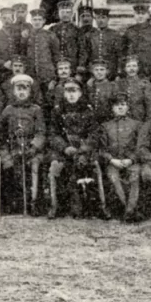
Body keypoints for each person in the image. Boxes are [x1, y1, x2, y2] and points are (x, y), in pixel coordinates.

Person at [47, 79, 107, 219]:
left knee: (96, 167)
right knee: (54, 168)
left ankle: (102, 206)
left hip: (84, 151)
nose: (71, 95)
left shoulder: (88, 110)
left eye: (74, 91)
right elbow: (53, 134)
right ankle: (54, 206)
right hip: (65, 151)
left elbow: (95, 133)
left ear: (80, 93)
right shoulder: (57, 111)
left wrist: (84, 149)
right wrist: (64, 147)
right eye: (68, 91)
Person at [0, 75, 47, 214]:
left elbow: (41, 132)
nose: (22, 92)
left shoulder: (36, 109)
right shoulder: (8, 110)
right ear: (14, 91)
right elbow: (0, 134)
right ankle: (12, 204)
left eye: (25, 89)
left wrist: (34, 147)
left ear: (30, 91)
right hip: (13, 149)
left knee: (34, 166)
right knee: (9, 168)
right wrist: (6, 153)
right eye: (19, 89)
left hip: (31, 149)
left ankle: (34, 202)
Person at [99, 93, 143, 222]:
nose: (120, 108)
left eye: (123, 105)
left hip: (131, 161)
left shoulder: (137, 125)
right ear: (112, 108)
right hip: (113, 161)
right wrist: (112, 160)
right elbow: (102, 148)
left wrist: (131, 159)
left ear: (128, 107)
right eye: (117, 105)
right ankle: (127, 209)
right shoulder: (105, 126)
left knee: (135, 176)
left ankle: (130, 211)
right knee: (113, 178)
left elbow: (141, 147)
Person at [79, 8, 124, 81]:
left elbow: (120, 55)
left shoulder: (115, 35)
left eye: (103, 17)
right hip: (92, 72)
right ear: (95, 19)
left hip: (110, 72)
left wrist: (119, 73)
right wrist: (82, 68)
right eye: (98, 18)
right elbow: (84, 54)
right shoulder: (89, 35)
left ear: (108, 19)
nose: (100, 20)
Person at [25, 8, 62, 89]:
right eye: (35, 20)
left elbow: (56, 55)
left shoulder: (50, 35)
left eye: (39, 19)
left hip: (47, 74)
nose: (37, 22)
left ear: (44, 21)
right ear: (31, 21)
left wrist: (55, 76)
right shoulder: (27, 36)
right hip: (31, 74)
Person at [114, 55, 151, 122]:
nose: (131, 69)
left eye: (134, 66)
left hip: (139, 118)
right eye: (128, 66)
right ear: (125, 69)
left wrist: (147, 123)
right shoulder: (120, 83)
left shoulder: (144, 84)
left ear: (138, 68)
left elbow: (150, 105)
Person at [124, 3, 151, 80]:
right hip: (133, 69)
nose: (140, 16)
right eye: (138, 14)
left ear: (148, 15)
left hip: (150, 69)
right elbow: (124, 50)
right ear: (134, 15)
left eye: (143, 13)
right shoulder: (129, 31)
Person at [50, 1, 82, 73]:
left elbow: (82, 49)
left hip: (72, 64)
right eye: (62, 12)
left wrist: (80, 65)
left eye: (68, 12)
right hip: (56, 63)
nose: (65, 15)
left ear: (71, 13)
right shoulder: (53, 29)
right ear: (58, 13)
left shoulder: (77, 30)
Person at [86, 59, 118, 123]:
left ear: (107, 71)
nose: (99, 72)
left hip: (108, 119)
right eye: (96, 70)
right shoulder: (89, 86)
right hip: (92, 120)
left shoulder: (112, 86)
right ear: (92, 72)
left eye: (102, 69)